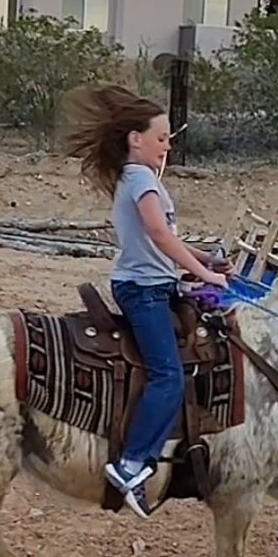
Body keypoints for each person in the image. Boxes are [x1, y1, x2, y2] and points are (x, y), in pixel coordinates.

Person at [60, 83, 230, 519]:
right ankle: (131, 463)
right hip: (144, 290)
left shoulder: (140, 178)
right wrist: (206, 274)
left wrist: (202, 259)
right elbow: (157, 233)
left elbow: (164, 240)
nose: (166, 146)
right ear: (135, 139)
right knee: (168, 376)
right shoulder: (140, 179)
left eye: (168, 139)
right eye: (161, 137)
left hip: (154, 284)